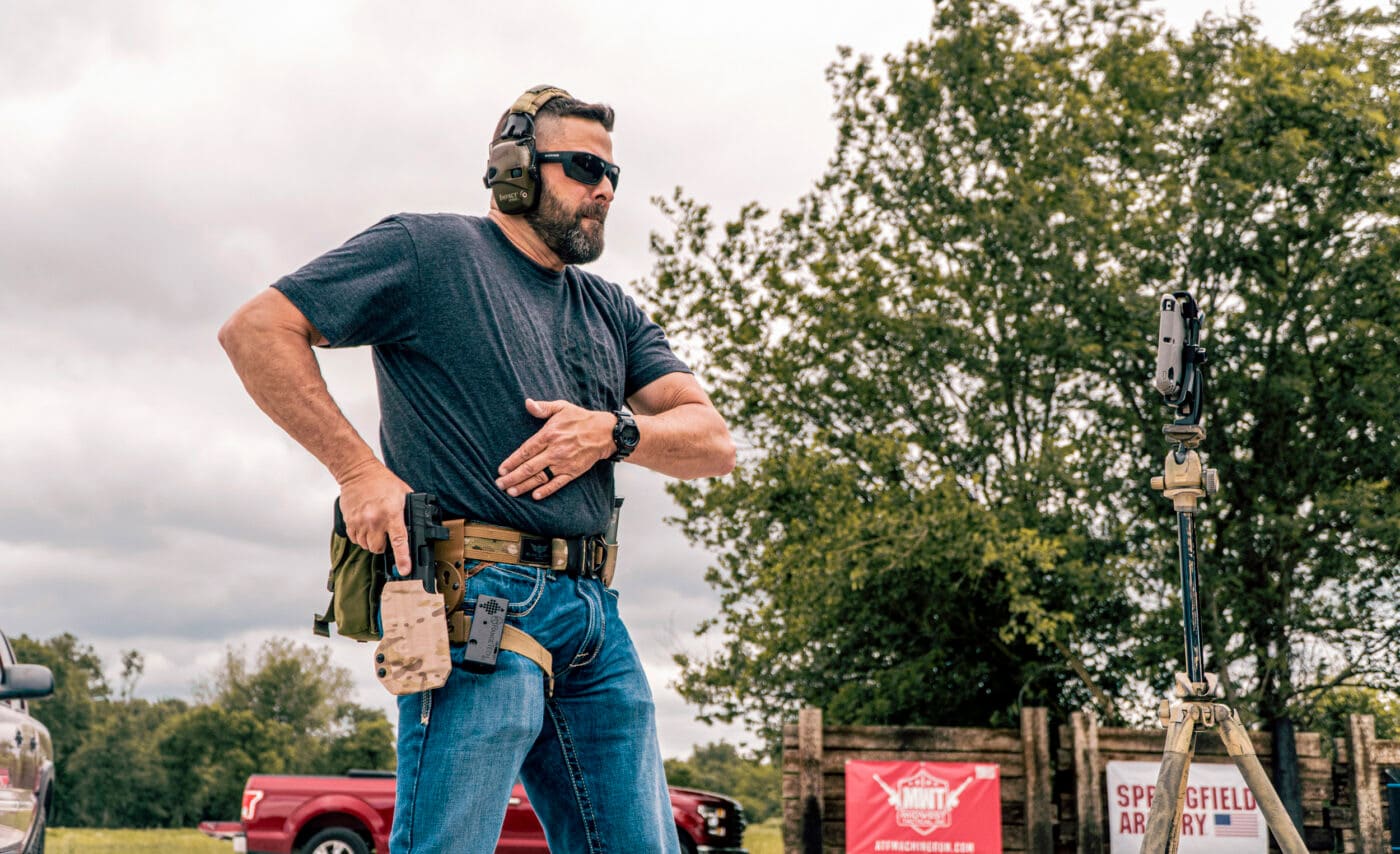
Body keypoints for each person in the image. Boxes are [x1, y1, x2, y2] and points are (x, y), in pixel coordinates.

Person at [218, 86, 735, 853]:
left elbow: (713, 441)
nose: (604, 190)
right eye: (584, 167)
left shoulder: (610, 309)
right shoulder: (428, 253)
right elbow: (258, 329)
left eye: (613, 176)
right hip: (479, 606)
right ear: (516, 171)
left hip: (596, 616)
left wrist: (613, 433)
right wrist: (359, 472)